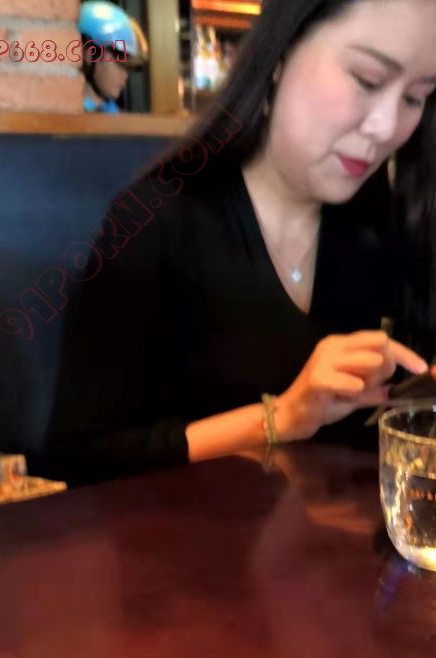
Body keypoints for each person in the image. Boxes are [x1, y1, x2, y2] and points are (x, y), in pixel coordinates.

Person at [44, 0, 436, 486]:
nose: (387, 127)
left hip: (346, 531)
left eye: (415, 97)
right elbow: (77, 457)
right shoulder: (156, 219)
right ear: (278, 59)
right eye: (367, 80)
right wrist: (282, 417)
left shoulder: (383, 223)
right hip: (184, 528)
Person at [79, 1, 148, 113]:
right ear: (89, 53)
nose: (125, 75)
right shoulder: (69, 113)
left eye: (128, 66)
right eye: (119, 60)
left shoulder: (112, 112)